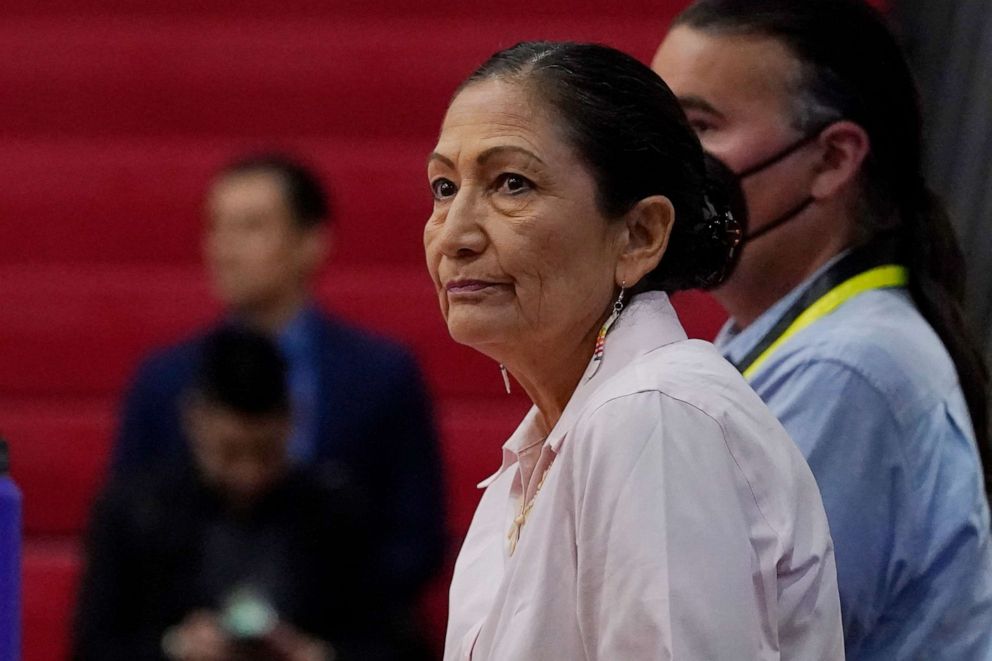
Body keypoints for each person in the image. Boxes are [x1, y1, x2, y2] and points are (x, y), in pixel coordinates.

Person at [427, 41, 843, 660]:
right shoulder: (548, 445)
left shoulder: (652, 413)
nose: (454, 233)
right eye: (443, 186)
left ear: (640, 235)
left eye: (511, 183)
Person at [652, 1, 992, 658]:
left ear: (833, 159)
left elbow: (717, 640)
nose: (658, 163)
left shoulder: (845, 369)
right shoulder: (799, 344)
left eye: (698, 125)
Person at [112, 153, 445, 623]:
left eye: (250, 227)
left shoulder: (383, 375)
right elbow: (125, 534)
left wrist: (320, 623)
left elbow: (416, 537)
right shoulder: (162, 379)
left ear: (312, 243)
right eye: (216, 227)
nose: (224, 248)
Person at [74, 327, 413, 660]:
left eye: (266, 452)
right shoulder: (135, 514)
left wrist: (316, 654)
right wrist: (173, 647)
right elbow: (92, 645)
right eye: (229, 452)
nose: (248, 475)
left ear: (292, 421)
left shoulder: (338, 514)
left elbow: (399, 643)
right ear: (195, 421)